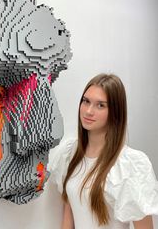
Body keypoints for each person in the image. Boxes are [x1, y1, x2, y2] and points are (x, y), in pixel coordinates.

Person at [48, 73, 158, 229]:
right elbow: (68, 215)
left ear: (115, 112)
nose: (88, 111)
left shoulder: (130, 165)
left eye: (100, 105)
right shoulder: (70, 154)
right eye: (86, 101)